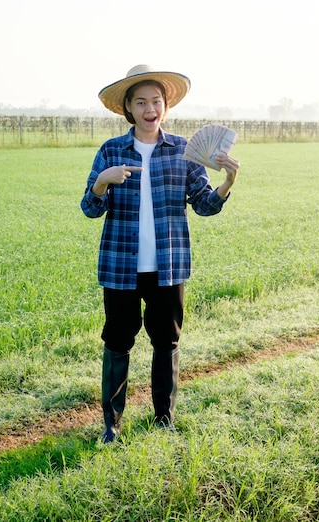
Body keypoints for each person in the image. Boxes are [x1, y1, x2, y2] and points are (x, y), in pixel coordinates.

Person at [80, 64, 240, 443]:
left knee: (166, 341)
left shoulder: (184, 151)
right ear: (129, 109)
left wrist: (227, 182)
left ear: (165, 106)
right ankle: (111, 424)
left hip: (169, 266)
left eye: (156, 101)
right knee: (118, 341)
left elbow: (202, 205)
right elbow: (90, 208)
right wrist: (103, 181)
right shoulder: (111, 151)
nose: (150, 108)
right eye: (141, 102)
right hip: (121, 266)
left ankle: (163, 418)